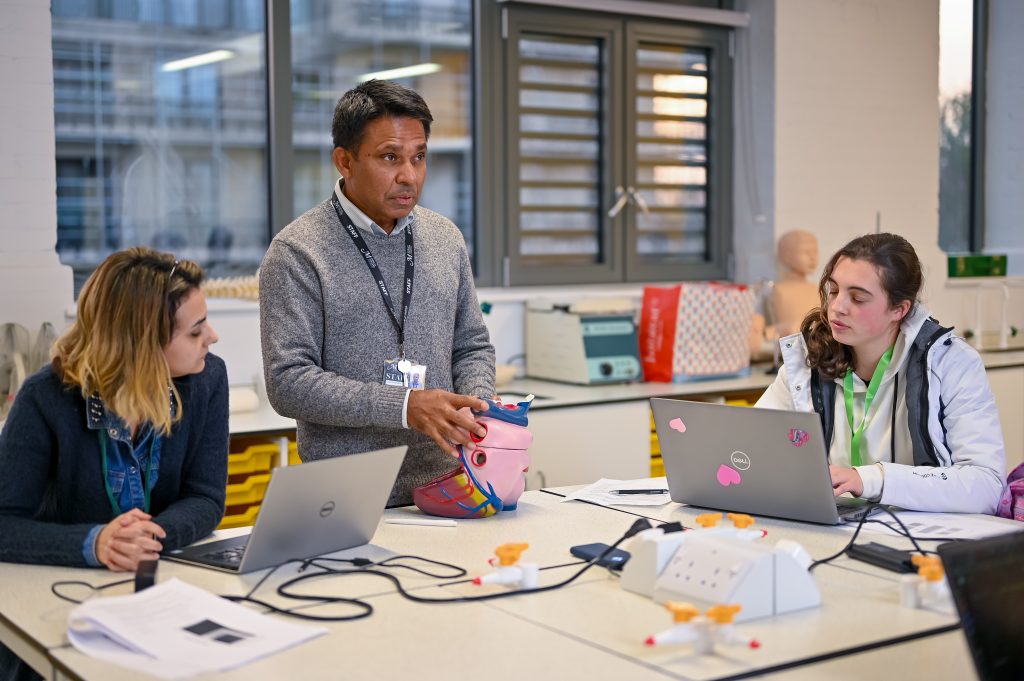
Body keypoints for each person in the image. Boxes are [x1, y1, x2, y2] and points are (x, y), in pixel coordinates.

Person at [260, 80, 494, 506]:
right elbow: (288, 382)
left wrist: (475, 403)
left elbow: (471, 345)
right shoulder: (297, 251)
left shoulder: (446, 238)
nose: (409, 176)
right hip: (345, 496)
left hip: (449, 482)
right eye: (390, 157)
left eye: (418, 157)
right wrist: (404, 405)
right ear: (344, 161)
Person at [0, 248, 226, 680]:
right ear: (143, 344)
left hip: (159, 602)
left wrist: (148, 536)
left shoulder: (207, 378)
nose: (211, 337)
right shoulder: (45, 399)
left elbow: (206, 498)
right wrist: (96, 543)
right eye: (195, 331)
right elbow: (5, 524)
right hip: (56, 614)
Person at [756, 233, 1005, 513]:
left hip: (917, 535)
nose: (837, 307)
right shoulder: (806, 359)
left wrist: (869, 479)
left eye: (858, 298)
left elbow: (985, 486)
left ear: (899, 309)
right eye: (834, 290)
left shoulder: (952, 363)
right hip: (831, 528)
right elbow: (751, 446)